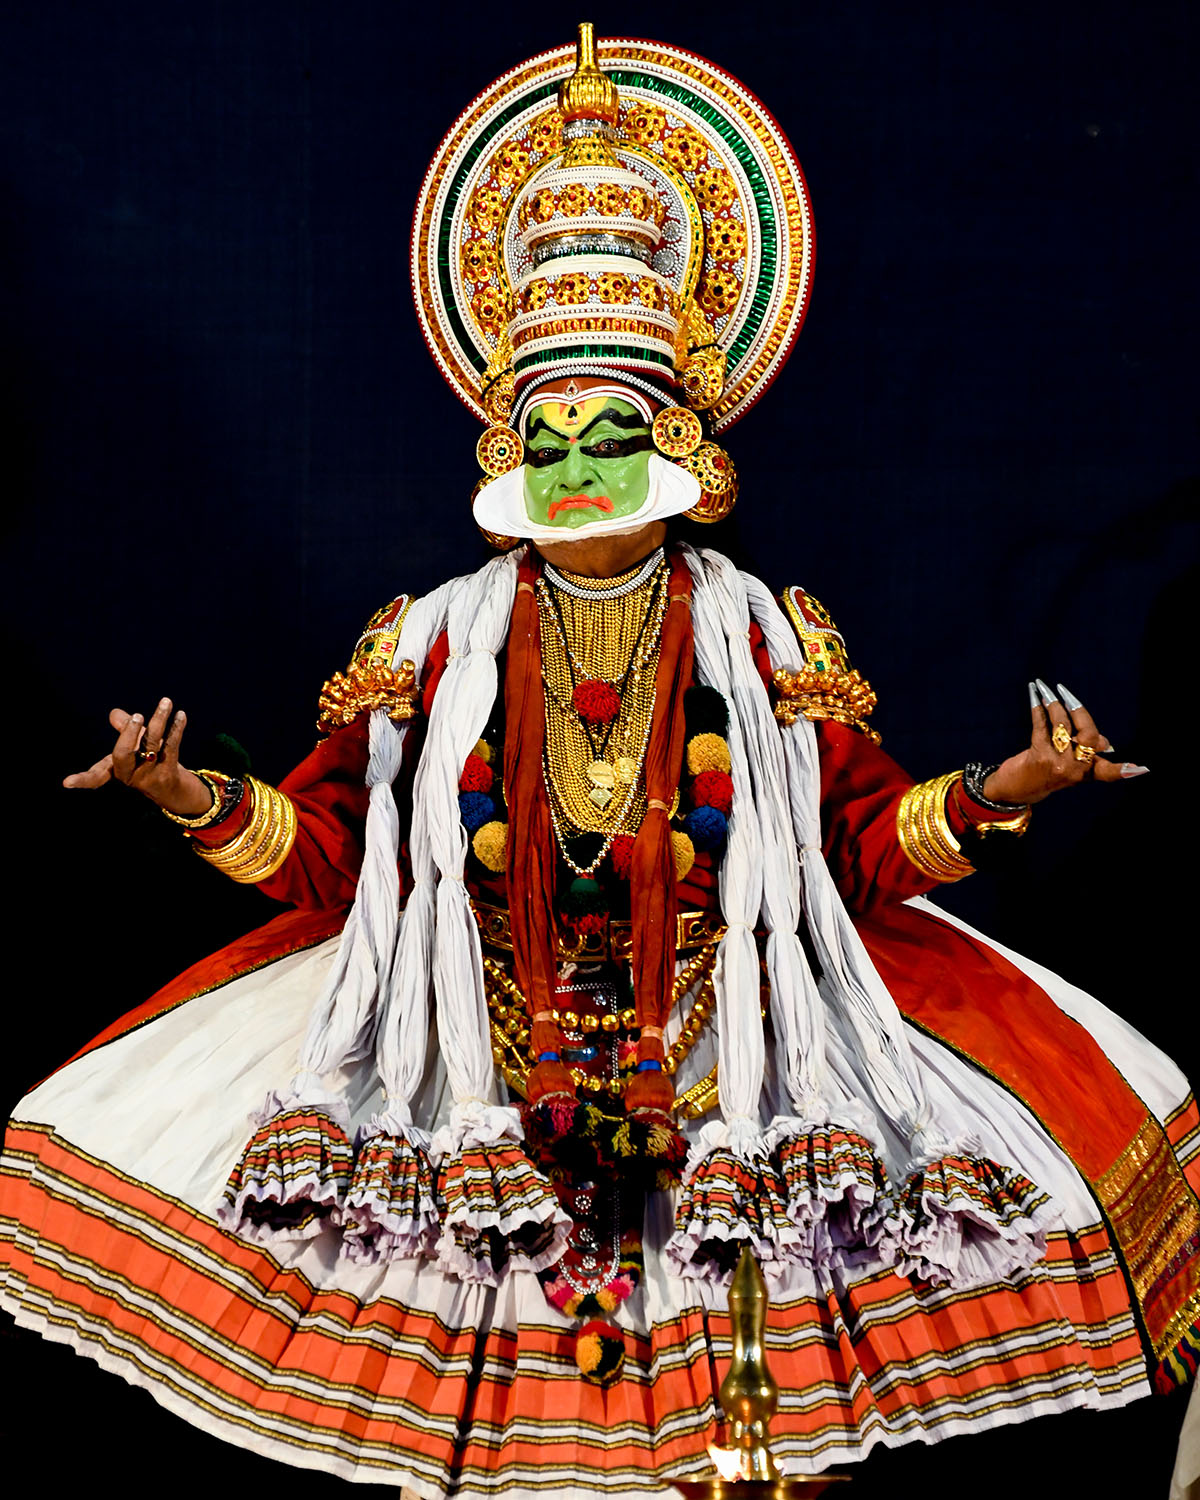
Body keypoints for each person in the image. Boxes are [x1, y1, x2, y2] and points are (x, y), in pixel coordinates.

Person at [3, 24, 1197, 1498]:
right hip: (471, 1064)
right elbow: (332, 871)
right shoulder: (429, 643)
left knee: (748, 1446)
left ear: (682, 446)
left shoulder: (760, 638)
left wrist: (1013, 791)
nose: (573, 471)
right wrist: (184, 793)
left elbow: (860, 856)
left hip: (731, 1057)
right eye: (547, 438)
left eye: (608, 435)